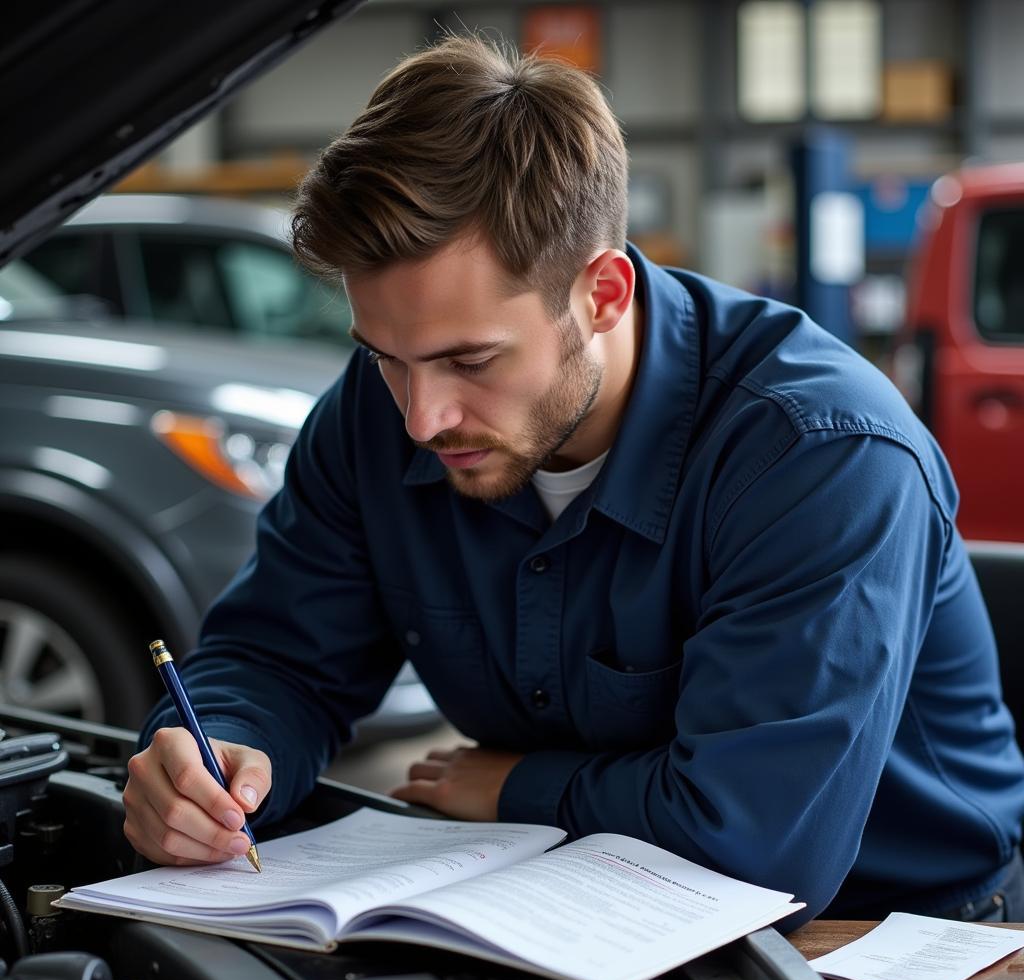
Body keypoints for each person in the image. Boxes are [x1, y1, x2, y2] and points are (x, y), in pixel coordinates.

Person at [125, 33, 1024, 927]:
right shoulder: (373, 414)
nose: (419, 418)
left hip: (887, 934)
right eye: (387, 358)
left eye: (468, 359)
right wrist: (226, 750)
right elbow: (279, 656)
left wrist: (518, 785)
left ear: (602, 295)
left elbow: (756, 847)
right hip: (552, 895)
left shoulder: (819, 456)